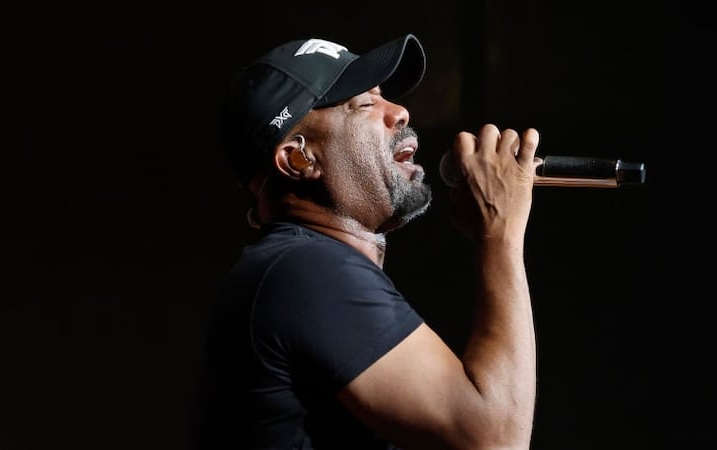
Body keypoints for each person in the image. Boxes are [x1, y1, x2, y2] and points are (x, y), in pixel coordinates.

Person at [193, 33, 541, 450]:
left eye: (384, 96)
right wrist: (500, 233)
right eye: (365, 104)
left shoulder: (296, 268)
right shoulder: (304, 271)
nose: (400, 112)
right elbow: (495, 438)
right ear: (299, 159)